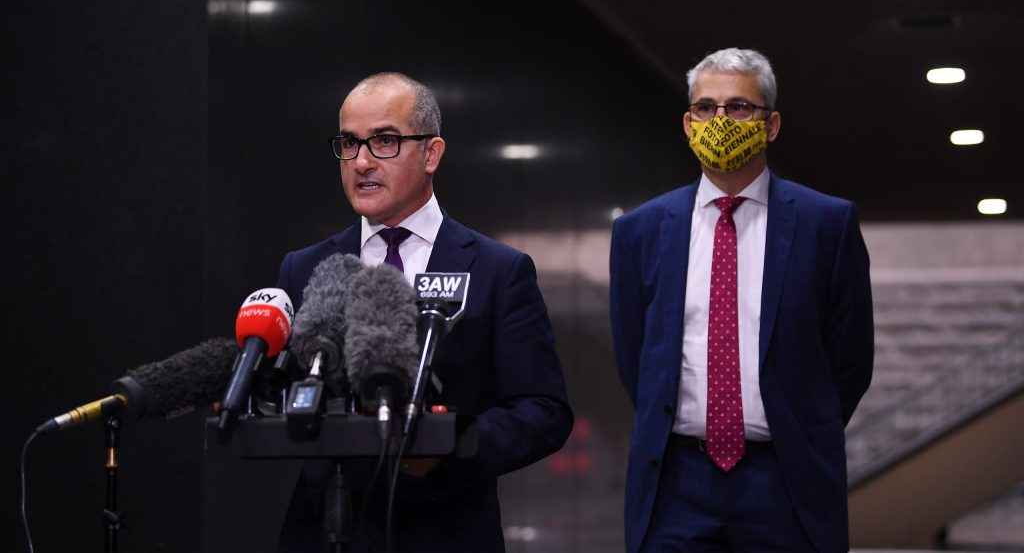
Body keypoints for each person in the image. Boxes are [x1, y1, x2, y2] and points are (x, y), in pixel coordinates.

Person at [276, 72, 573, 552]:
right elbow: (284, 391)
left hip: (447, 527)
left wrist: (447, 444)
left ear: (432, 153)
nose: (362, 162)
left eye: (385, 141)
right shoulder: (306, 268)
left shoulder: (500, 271)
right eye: (349, 144)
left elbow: (543, 413)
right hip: (328, 529)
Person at [609, 48, 873, 552]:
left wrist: (802, 428)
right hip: (676, 480)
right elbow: (635, 356)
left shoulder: (827, 224)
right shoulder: (638, 231)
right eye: (706, 108)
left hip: (785, 479)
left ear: (771, 125)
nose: (721, 120)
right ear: (688, 124)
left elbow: (851, 359)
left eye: (740, 107)